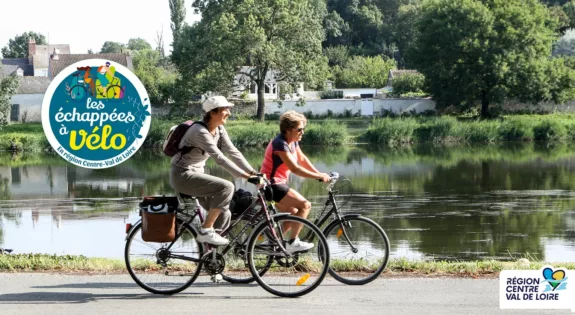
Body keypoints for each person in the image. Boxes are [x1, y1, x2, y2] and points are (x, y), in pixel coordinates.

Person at [169, 96, 261, 246]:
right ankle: (205, 230)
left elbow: (233, 153)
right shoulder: (199, 131)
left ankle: (210, 256)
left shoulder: (219, 129)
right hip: (182, 175)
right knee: (227, 187)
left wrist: (253, 173)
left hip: (197, 175)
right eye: (226, 109)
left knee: (225, 213)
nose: (229, 113)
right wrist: (246, 177)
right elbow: (220, 159)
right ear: (213, 112)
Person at [260, 110, 331, 252]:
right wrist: (317, 177)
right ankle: (293, 242)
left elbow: (303, 159)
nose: (302, 132)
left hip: (276, 183)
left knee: (293, 213)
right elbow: (296, 169)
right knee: (305, 205)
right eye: (299, 129)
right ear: (288, 130)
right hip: (272, 184)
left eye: (303, 129)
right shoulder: (280, 144)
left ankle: (273, 243)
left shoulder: (292, 142)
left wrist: (320, 173)